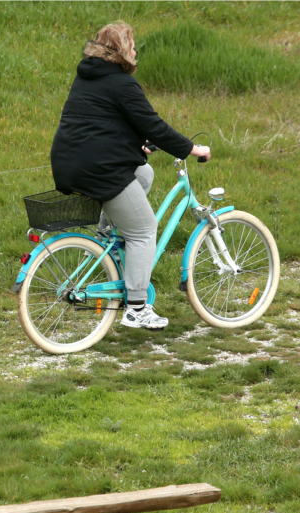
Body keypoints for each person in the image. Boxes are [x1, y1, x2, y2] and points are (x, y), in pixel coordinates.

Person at [50, 21, 210, 330]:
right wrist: (192, 148)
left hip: (71, 162)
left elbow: (101, 123)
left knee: (143, 172)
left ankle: (107, 234)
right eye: (133, 46)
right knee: (144, 230)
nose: (136, 52)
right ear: (123, 51)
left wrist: (136, 144)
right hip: (100, 169)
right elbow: (154, 125)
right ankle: (137, 308)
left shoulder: (87, 78)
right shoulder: (122, 84)